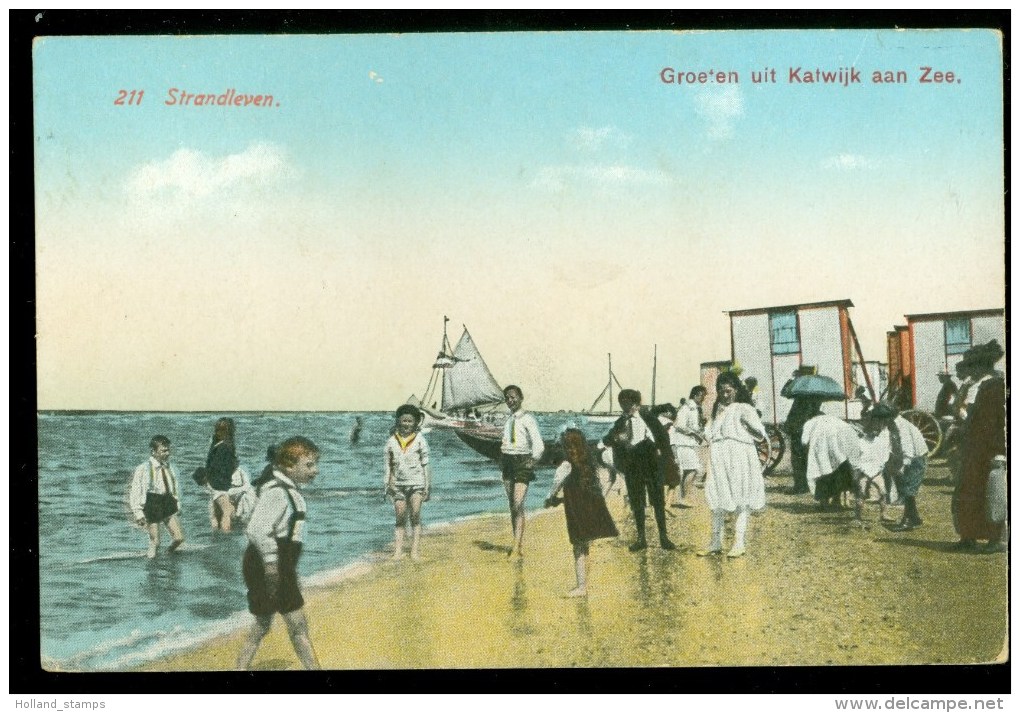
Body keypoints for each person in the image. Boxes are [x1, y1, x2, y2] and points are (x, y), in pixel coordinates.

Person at [237, 436, 322, 670]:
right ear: (288, 466)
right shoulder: (277, 492)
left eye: (315, 464)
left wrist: (289, 571)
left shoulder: (289, 490)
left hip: (280, 564)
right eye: (309, 465)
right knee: (275, 623)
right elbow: (256, 529)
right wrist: (272, 565)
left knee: (285, 624)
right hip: (266, 564)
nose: (315, 471)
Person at [698, 372, 766, 558]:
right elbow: (708, 433)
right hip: (719, 456)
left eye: (728, 391)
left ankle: (739, 542)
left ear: (736, 390)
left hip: (739, 456)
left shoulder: (744, 408)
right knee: (717, 498)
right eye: (721, 391)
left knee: (740, 498)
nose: (725, 395)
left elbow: (760, 434)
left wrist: (746, 425)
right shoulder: (717, 410)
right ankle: (715, 542)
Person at [544, 428, 618, 597]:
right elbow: (601, 482)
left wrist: (549, 499)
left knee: (578, 547)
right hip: (590, 507)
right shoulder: (588, 463)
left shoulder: (566, 465)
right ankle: (584, 584)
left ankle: (581, 587)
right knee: (585, 547)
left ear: (567, 447)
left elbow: (556, 484)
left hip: (576, 510)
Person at [601, 389, 675, 551]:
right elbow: (607, 439)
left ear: (636, 404)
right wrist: (615, 439)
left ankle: (664, 537)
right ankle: (641, 538)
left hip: (651, 462)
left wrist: (664, 459)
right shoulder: (620, 422)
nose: (624, 407)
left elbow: (663, 437)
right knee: (637, 501)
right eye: (622, 404)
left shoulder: (648, 417)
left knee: (657, 500)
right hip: (632, 464)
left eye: (627, 404)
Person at [951, 341, 1007, 553]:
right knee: (968, 491)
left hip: (989, 449)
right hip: (973, 448)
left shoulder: (995, 386)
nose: (969, 370)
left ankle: (995, 539)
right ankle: (968, 536)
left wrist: (1000, 451)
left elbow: (999, 422)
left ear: (982, 366)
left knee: (991, 494)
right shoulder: (977, 385)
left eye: (972, 366)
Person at [500, 385, 545, 557]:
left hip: (522, 462)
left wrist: (532, 461)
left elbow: (539, 445)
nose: (510, 401)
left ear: (521, 397)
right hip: (507, 462)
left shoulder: (528, 419)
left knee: (518, 503)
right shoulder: (508, 420)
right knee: (513, 506)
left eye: (513, 397)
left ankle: (516, 546)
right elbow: (506, 441)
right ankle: (516, 545)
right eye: (507, 398)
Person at [384, 404, 432, 560]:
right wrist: (387, 485)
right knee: (400, 517)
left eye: (409, 421)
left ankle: (414, 551)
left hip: (417, 484)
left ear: (416, 422)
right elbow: (387, 466)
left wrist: (427, 486)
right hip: (397, 485)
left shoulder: (420, 440)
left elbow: (425, 464)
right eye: (403, 421)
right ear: (398, 421)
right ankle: (397, 552)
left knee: (415, 515)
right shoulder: (391, 441)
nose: (406, 424)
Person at [129, 435, 186, 559]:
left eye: (168, 450)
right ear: (153, 452)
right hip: (152, 502)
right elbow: (135, 492)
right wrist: (138, 513)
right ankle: (151, 565)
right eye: (163, 451)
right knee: (156, 542)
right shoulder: (143, 468)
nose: (167, 453)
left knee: (179, 538)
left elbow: (175, 487)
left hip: (167, 501)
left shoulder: (170, 467)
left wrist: (178, 504)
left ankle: (167, 555)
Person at [802, 412, 861, 511]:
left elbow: (804, 441)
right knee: (838, 474)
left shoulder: (810, 422)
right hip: (839, 452)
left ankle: (824, 503)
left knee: (822, 475)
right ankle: (836, 500)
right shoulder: (835, 420)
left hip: (821, 452)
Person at [887, 409, 930, 531]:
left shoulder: (902, 427)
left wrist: (902, 466)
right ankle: (914, 517)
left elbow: (908, 450)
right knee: (906, 488)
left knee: (908, 488)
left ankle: (908, 521)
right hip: (908, 456)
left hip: (916, 457)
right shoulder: (893, 424)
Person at [672, 386, 707, 506]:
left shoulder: (694, 408)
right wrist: (693, 433)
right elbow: (679, 425)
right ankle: (684, 498)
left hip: (688, 443)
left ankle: (683, 498)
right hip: (683, 443)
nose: (703, 399)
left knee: (688, 471)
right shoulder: (687, 408)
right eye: (702, 396)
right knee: (692, 469)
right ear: (696, 394)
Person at [205, 417, 240, 531]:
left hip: (212, 482)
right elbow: (221, 467)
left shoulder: (216, 445)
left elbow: (212, 466)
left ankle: (217, 540)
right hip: (219, 484)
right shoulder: (225, 446)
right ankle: (225, 540)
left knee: (216, 514)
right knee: (228, 511)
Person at [784, 396, 823, 494]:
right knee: (808, 458)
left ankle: (801, 486)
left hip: (800, 429)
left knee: (798, 459)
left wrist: (789, 426)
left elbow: (796, 414)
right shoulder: (816, 395)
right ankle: (809, 484)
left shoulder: (801, 398)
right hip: (809, 429)